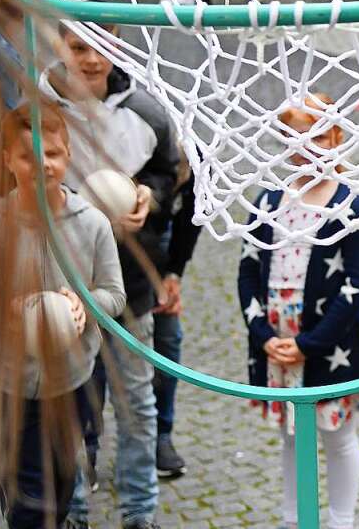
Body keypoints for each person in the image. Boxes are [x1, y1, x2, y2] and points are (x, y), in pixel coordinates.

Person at [40, 25, 177, 529]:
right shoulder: (39, 113)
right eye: (78, 48)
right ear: (60, 48)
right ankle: (74, 508)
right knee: (71, 401)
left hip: (130, 282)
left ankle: (139, 512)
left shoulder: (147, 110)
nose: (91, 59)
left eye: (100, 47)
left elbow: (168, 171)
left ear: (116, 46)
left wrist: (147, 196)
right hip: (62, 282)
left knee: (137, 403)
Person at [0, 101, 126, 528]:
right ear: (7, 160)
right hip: (3, 389)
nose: (42, 164)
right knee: (28, 505)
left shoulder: (92, 224)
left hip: (71, 384)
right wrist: (5, 310)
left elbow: (114, 295)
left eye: (52, 153)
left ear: (69, 154)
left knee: (57, 494)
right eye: (27, 156)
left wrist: (83, 304)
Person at [238, 95, 359, 529]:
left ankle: (341, 520)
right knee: (291, 437)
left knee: (338, 437)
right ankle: (293, 517)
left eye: (315, 135)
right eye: (292, 137)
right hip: (277, 343)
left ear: (335, 136)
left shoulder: (351, 206)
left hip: (328, 344)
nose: (304, 147)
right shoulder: (268, 202)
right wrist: (264, 336)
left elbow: (357, 288)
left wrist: (309, 345)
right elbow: (247, 271)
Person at [151, 154, 202, 480]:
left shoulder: (198, 161)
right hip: (116, 228)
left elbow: (192, 217)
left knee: (167, 337)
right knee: (100, 342)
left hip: (164, 232)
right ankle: (89, 441)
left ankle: (161, 434)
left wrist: (172, 274)